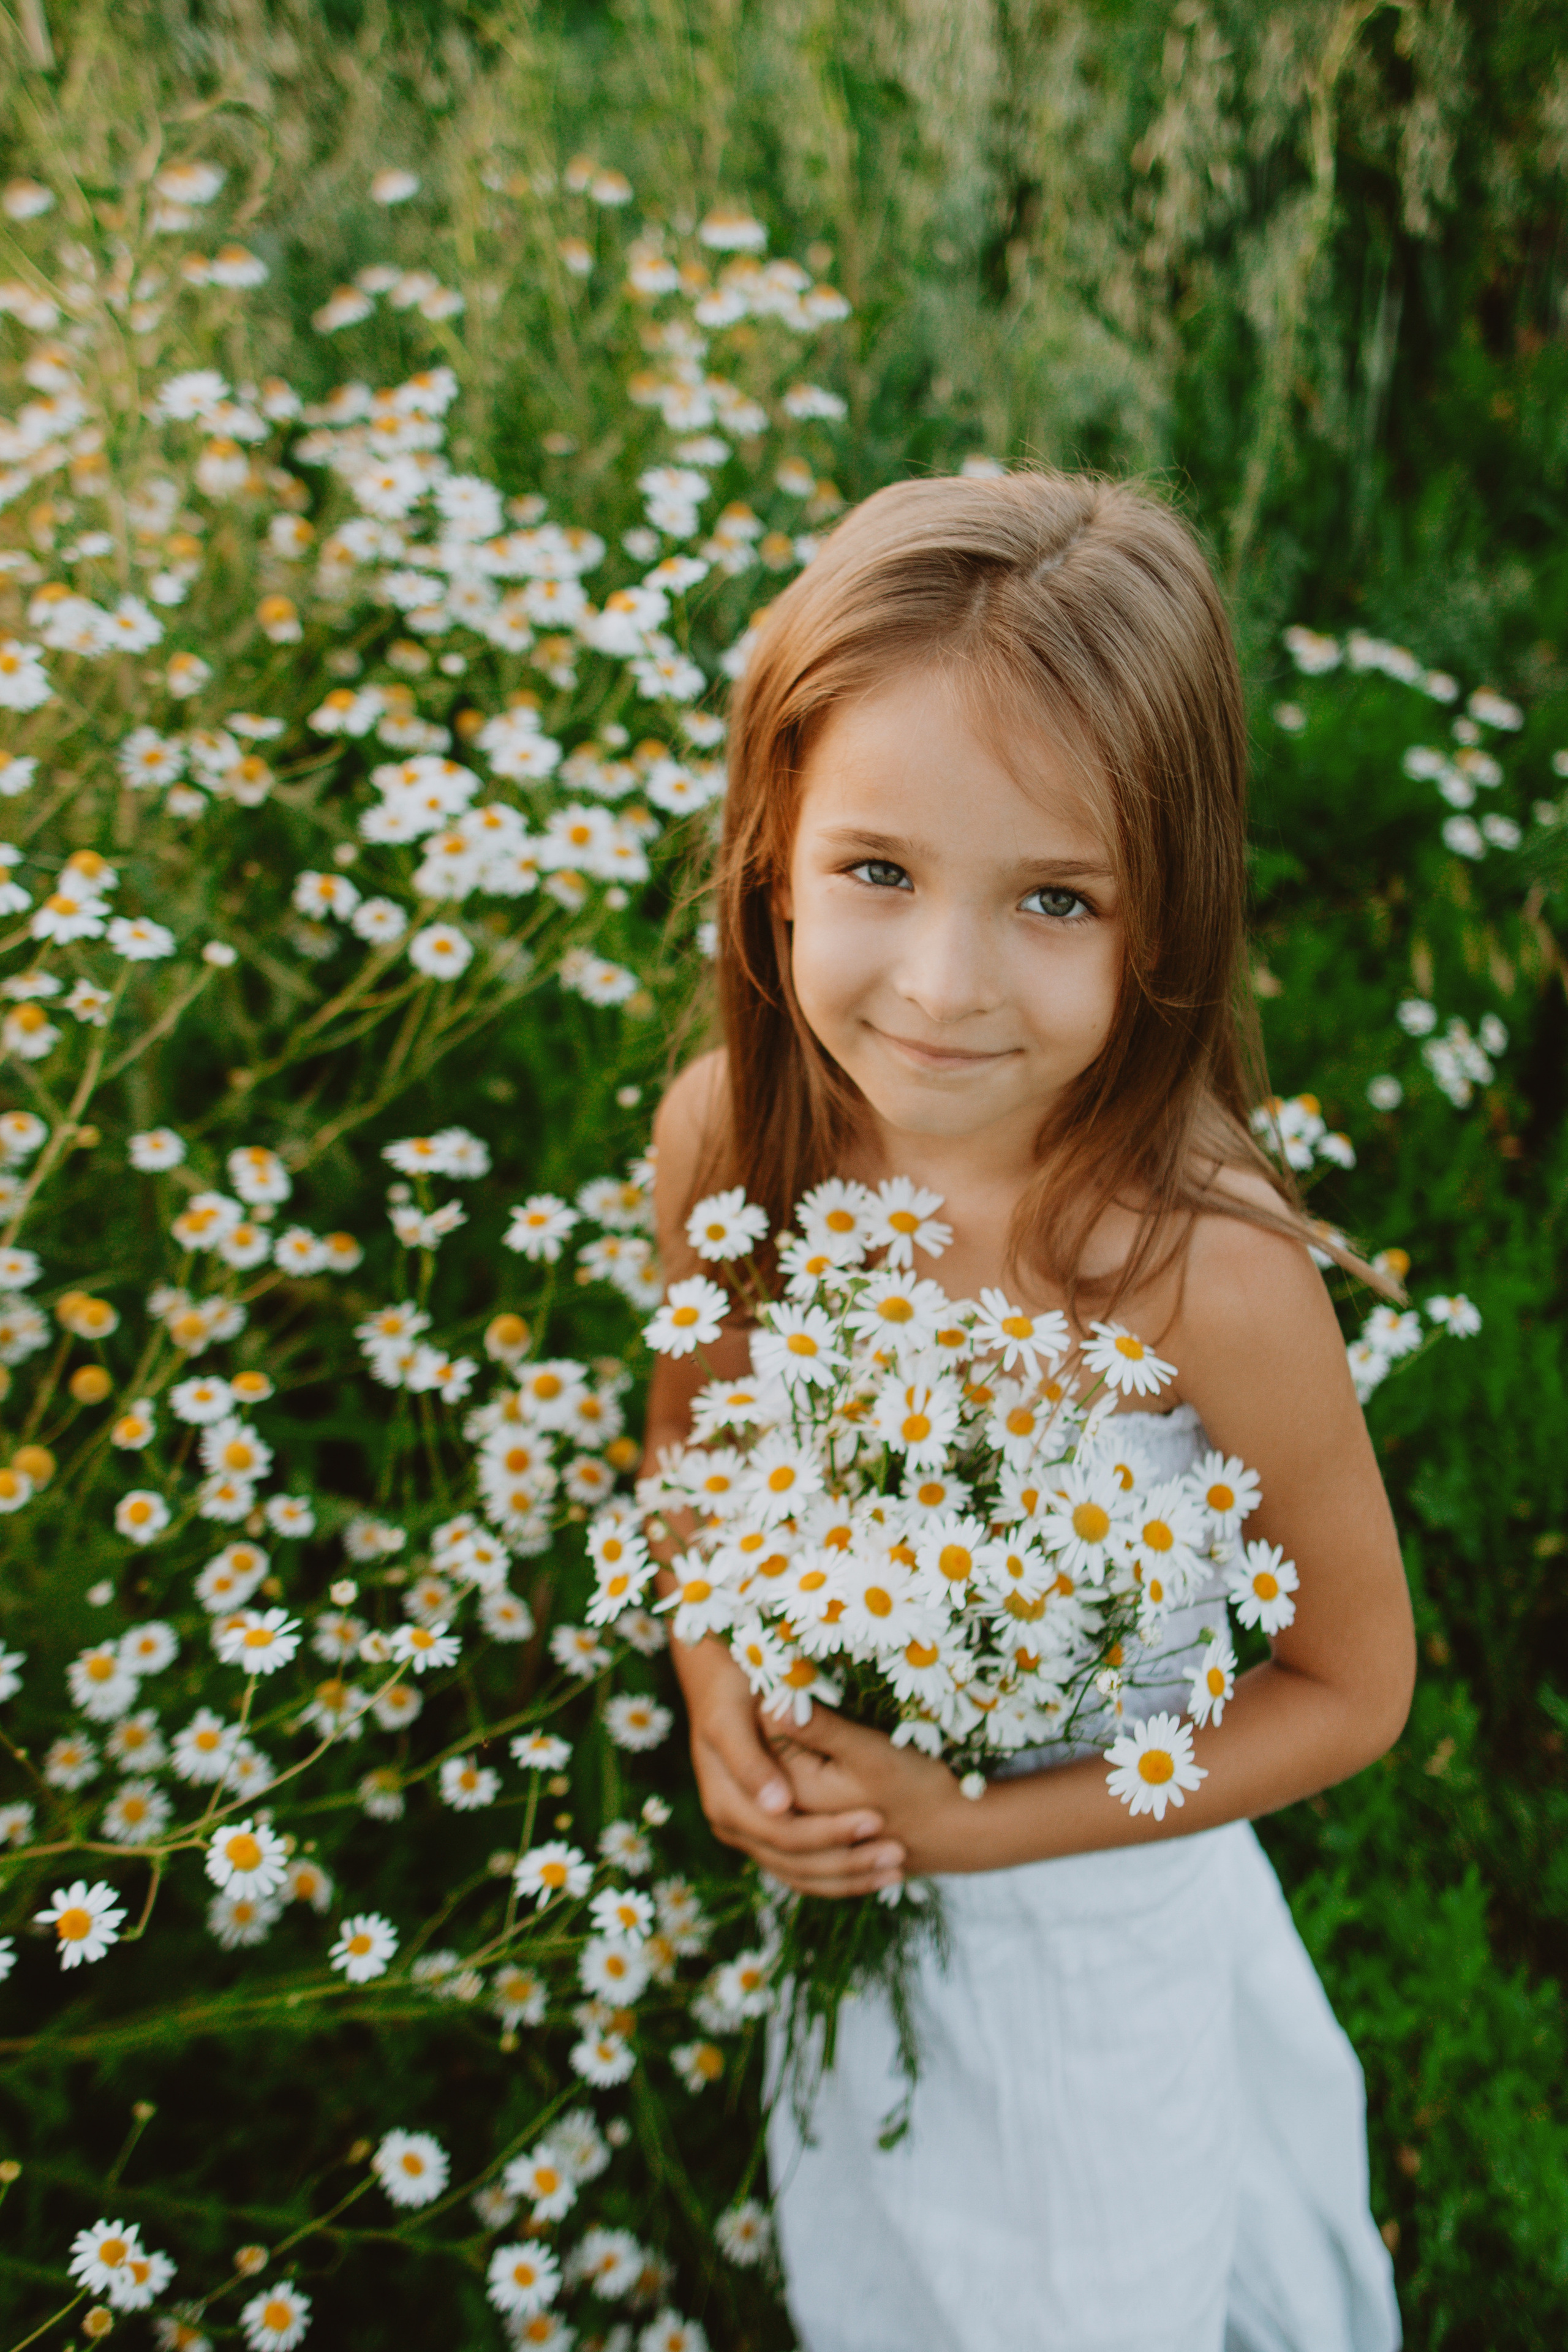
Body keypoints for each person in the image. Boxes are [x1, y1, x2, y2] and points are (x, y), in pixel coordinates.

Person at [640, 470, 1411, 2352]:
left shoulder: (1200, 1270)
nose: (942, 987)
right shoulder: (734, 1144)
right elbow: (690, 1449)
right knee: (890, 2270)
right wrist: (710, 1672)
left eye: (1054, 897)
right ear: (774, 847)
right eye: (878, 871)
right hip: (850, 1907)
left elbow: (1354, 1689)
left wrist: (976, 1828)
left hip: (1100, 1957)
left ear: (1166, 919)